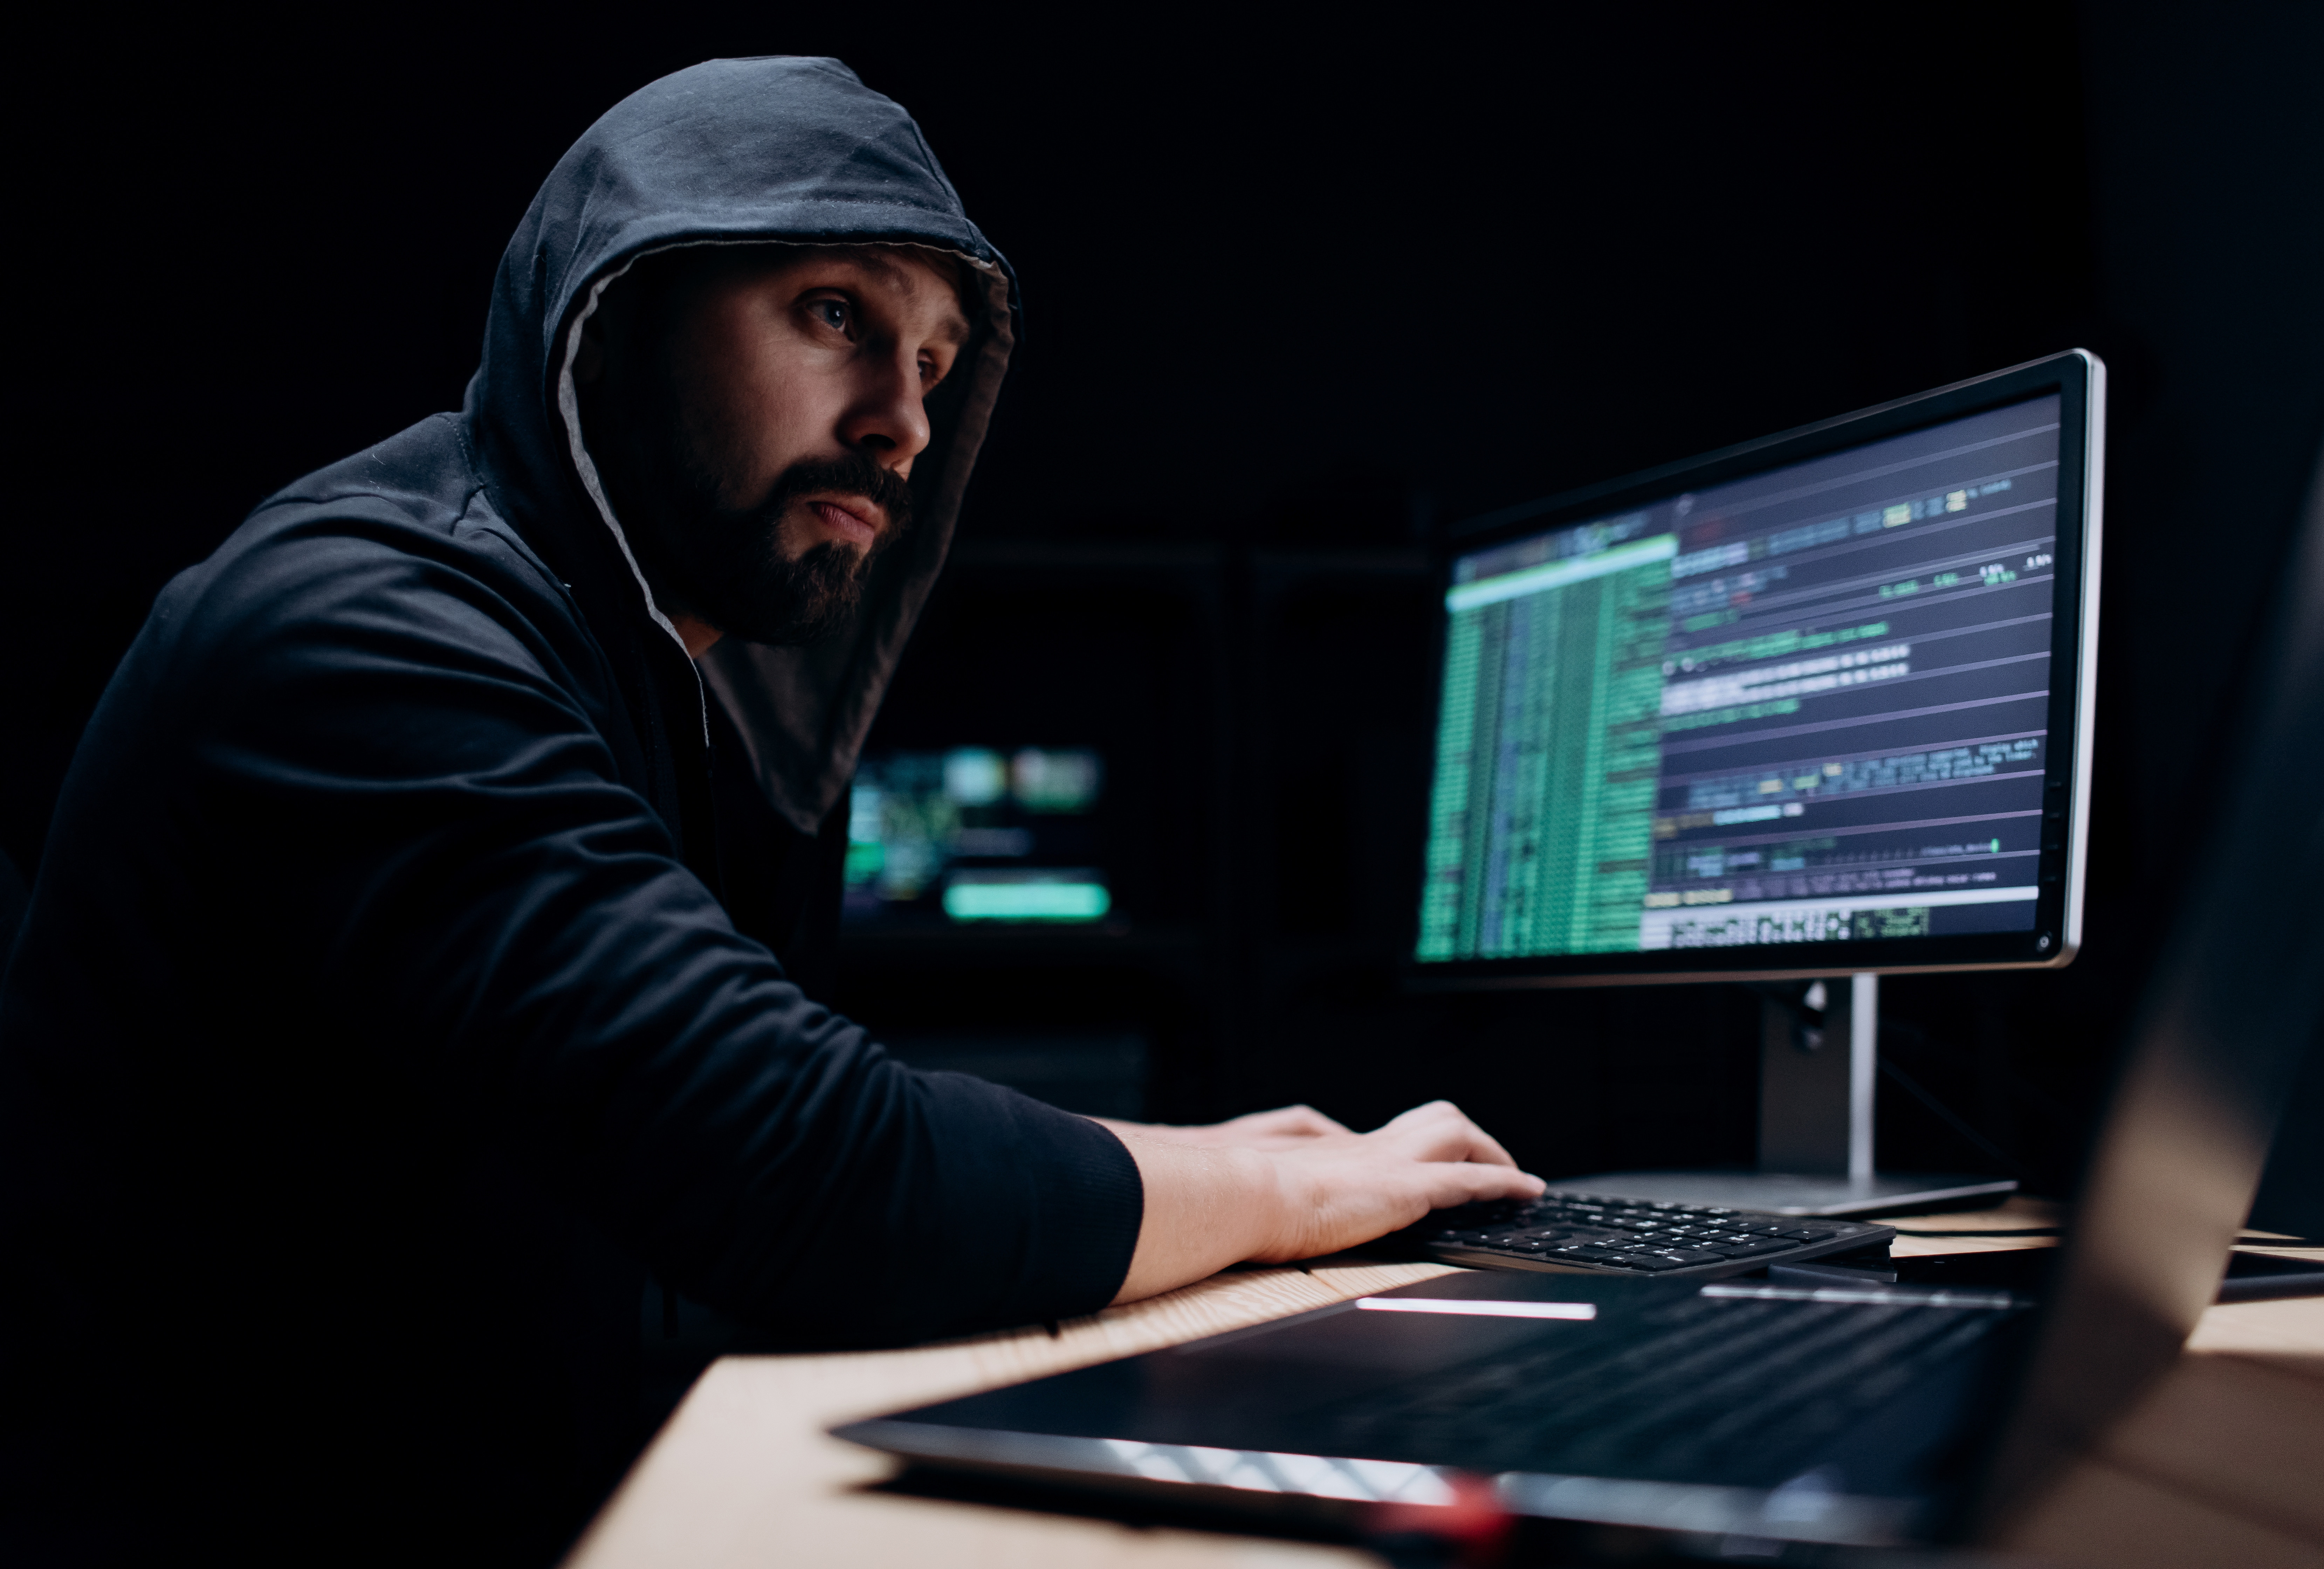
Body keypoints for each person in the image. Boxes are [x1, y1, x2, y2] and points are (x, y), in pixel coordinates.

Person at [0, 57, 1539, 1565]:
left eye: (935, 364)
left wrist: (1186, 1168)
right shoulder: (364, 627)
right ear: (615, 318)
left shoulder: (608, 664)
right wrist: (1283, 1190)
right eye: (836, 316)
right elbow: (804, 1171)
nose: (905, 424)